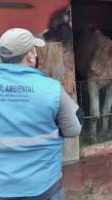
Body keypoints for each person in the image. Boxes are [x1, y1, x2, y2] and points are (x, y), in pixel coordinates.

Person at [0, 28, 83, 199]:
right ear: (30, 57)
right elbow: (74, 128)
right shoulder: (51, 88)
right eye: (34, 51)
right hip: (42, 186)